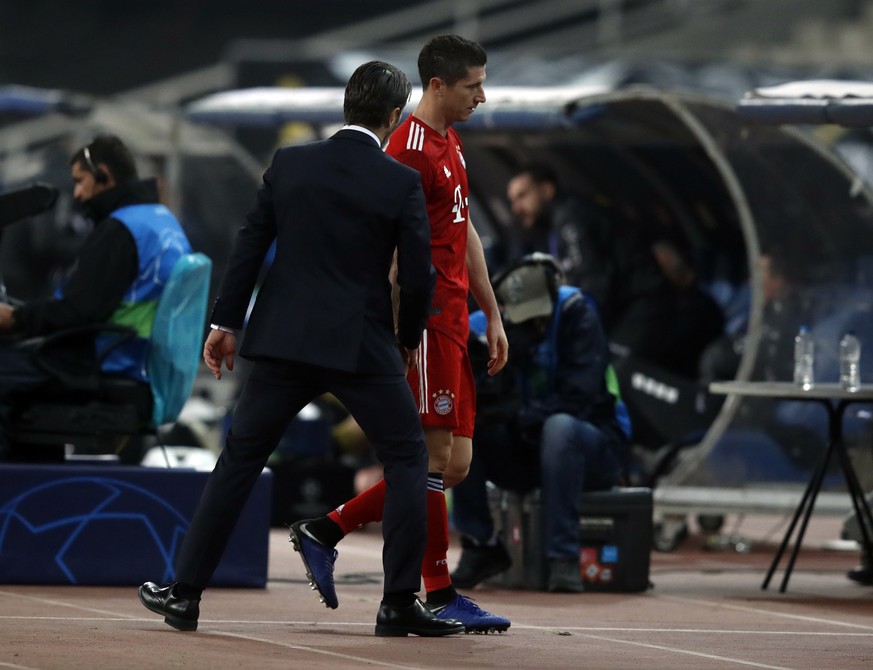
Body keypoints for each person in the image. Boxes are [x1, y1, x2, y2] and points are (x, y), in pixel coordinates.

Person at [138, 60, 466, 638]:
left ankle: (184, 594)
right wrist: (409, 341)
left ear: (346, 106)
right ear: (394, 117)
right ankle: (396, 604)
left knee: (239, 460)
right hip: (363, 344)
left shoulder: (290, 164)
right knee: (410, 460)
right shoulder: (398, 181)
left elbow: (249, 246)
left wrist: (224, 323)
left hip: (284, 342)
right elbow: (418, 277)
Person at [288, 35, 511, 634]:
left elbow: (464, 233)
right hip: (427, 320)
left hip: (456, 317)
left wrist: (491, 313)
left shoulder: (451, 142)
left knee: (456, 464)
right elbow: (389, 249)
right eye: (472, 86)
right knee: (432, 459)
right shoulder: (406, 149)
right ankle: (437, 592)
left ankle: (326, 528)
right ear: (437, 86)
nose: (481, 97)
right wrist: (399, 330)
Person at [0, 134, 191, 457]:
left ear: (103, 174)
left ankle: (13, 488)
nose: (76, 193)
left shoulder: (120, 230)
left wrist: (15, 318)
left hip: (106, 358)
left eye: (80, 181)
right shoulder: (160, 222)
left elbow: (79, 312)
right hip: (135, 357)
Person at [451, 253, 631, 593]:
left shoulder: (577, 311)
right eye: (523, 319)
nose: (533, 326)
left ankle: (563, 559)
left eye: (538, 318)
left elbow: (580, 397)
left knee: (559, 427)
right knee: (464, 429)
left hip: (595, 443)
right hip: (530, 446)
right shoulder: (487, 324)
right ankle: (481, 545)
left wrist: (519, 414)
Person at [505, 163, 698, 378]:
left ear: (547, 190)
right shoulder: (555, 227)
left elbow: (595, 283)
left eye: (523, 196)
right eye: (513, 200)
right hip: (625, 310)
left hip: (644, 307)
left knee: (607, 376)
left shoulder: (572, 219)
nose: (517, 208)